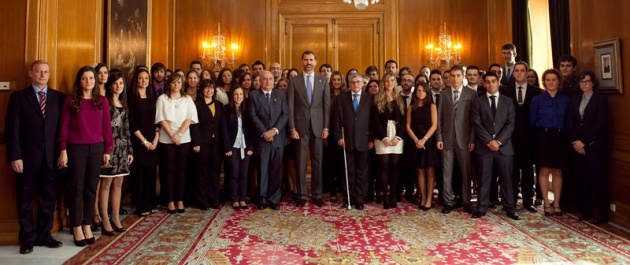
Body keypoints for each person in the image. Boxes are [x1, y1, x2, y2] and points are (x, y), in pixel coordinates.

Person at [6, 60, 65, 254]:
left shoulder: (59, 98)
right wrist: (15, 156)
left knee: (48, 199)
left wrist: (62, 154)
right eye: (38, 72)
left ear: (49, 74)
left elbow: (62, 130)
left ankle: (44, 235)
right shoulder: (18, 98)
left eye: (46, 72)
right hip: (26, 159)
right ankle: (28, 239)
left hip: (51, 159)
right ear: (31, 74)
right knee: (25, 200)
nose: (42, 75)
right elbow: (12, 130)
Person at [58, 66, 113, 246]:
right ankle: (76, 226)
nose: (88, 81)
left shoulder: (102, 101)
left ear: (95, 81)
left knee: (91, 188)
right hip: (76, 149)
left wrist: (107, 150)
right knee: (76, 188)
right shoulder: (70, 100)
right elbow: (64, 126)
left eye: (91, 78)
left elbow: (107, 128)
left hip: (96, 148)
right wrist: (63, 150)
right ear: (79, 81)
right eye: (84, 78)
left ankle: (87, 224)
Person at [471, 71, 519, 220]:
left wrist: (498, 142)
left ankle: (509, 207)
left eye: (493, 81)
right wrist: (489, 141)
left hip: (504, 147)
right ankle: (482, 207)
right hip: (484, 147)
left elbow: (511, 124)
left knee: (507, 180)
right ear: (484, 84)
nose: (491, 84)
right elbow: (476, 124)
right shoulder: (478, 101)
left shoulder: (508, 101)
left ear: (498, 83)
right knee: (484, 180)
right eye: (488, 82)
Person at [288, 50, 331, 207]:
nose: (308, 63)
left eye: (311, 60)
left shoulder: (323, 81)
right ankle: (301, 194)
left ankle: (317, 194)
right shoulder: (294, 81)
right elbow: (290, 107)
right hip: (299, 128)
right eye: (306, 60)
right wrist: (292, 128)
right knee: (300, 162)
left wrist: (326, 127)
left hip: (319, 128)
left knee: (317, 162)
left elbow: (327, 106)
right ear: (302, 62)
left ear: (316, 62)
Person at [568, 71, 609, 224]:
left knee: (598, 181)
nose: (584, 84)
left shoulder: (600, 99)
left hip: (595, 147)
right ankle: (586, 211)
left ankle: (602, 213)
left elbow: (600, 124)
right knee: (582, 180)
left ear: (593, 83)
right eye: (581, 82)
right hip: (577, 146)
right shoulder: (574, 99)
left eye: (586, 81)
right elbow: (570, 122)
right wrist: (575, 142)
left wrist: (584, 142)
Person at [499, 62, 541, 212]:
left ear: (526, 72)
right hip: (511, 137)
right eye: (516, 71)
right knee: (512, 172)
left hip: (529, 138)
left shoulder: (536, 92)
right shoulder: (505, 91)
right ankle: (511, 201)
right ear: (513, 73)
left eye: (522, 71)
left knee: (528, 172)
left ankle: (528, 202)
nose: (519, 73)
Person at [155, 73, 198, 214]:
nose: (176, 85)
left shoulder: (187, 100)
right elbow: (161, 119)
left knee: (181, 169)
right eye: (173, 82)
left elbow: (189, 118)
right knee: (168, 170)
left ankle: (180, 199)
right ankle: (170, 200)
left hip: (183, 139)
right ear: (169, 84)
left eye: (178, 82)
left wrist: (179, 134)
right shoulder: (162, 99)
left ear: (182, 84)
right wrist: (172, 135)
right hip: (166, 139)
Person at [530, 69, 570, 216]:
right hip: (543, 137)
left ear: (558, 81)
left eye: (554, 80)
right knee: (544, 170)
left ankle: (557, 203)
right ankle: (546, 203)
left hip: (560, 137)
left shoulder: (565, 100)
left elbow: (569, 121)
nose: (551, 82)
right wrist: (536, 140)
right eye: (548, 80)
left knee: (558, 171)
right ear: (544, 82)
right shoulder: (537, 100)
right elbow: (532, 122)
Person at [436, 65, 475, 214]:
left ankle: (466, 201)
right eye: (452, 76)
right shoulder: (443, 94)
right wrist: (438, 137)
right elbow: (439, 118)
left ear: (463, 76)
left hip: (464, 140)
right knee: (447, 172)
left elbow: (473, 120)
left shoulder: (471, 94)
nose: (455, 78)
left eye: (458, 75)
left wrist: (472, 139)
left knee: (466, 172)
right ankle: (448, 201)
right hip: (446, 138)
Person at [99, 69, 133, 236]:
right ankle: (104, 218)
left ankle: (115, 217)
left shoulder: (123, 103)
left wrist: (129, 150)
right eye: (115, 83)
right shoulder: (104, 102)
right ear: (110, 85)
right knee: (106, 183)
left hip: (122, 149)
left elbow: (127, 129)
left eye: (121, 83)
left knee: (119, 182)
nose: (118, 86)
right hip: (109, 148)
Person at [249, 71, 288, 210]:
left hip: (277, 139)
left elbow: (285, 115)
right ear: (259, 81)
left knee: (275, 171)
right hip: (262, 139)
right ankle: (262, 199)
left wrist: (274, 131)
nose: (267, 82)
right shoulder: (254, 95)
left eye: (270, 79)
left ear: (273, 81)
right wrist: (264, 132)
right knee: (262, 170)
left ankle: (274, 199)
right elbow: (252, 116)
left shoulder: (281, 95)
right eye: (264, 79)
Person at [334, 73, 373, 210]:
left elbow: (372, 120)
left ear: (363, 84)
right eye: (353, 82)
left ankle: (359, 198)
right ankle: (348, 197)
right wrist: (339, 136)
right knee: (348, 170)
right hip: (347, 139)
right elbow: (336, 120)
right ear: (349, 84)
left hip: (364, 139)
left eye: (358, 82)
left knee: (362, 171)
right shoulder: (341, 98)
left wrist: (371, 138)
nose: (355, 84)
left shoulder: (369, 98)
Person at [128, 67, 159, 217]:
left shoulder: (153, 97)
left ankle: (149, 202)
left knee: (151, 173)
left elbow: (158, 120)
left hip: (153, 140)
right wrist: (144, 141)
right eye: (140, 78)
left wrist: (155, 140)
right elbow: (131, 122)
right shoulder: (132, 98)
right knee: (139, 174)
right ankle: (140, 204)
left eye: (146, 78)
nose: (143, 81)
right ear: (136, 80)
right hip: (138, 140)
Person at [190, 79, 223, 210]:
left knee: (214, 172)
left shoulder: (219, 105)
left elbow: (221, 125)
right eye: (206, 88)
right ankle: (202, 201)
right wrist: (196, 142)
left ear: (214, 90)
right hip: (202, 143)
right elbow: (194, 125)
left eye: (211, 88)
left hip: (216, 143)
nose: (209, 90)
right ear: (202, 89)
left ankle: (214, 199)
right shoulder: (196, 104)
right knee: (202, 172)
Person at [406, 82, 438, 210]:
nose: (420, 93)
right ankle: (423, 197)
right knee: (419, 170)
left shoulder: (432, 106)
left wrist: (424, 139)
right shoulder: (411, 107)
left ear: (427, 92)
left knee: (429, 170)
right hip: (415, 142)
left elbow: (434, 125)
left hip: (428, 141)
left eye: (423, 90)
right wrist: (416, 140)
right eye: (418, 90)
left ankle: (430, 198)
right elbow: (407, 126)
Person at [221, 86, 254, 209]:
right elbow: (224, 130)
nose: (238, 96)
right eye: (235, 94)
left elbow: (251, 130)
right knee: (233, 173)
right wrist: (227, 148)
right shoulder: (226, 110)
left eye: (240, 94)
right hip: (232, 147)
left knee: (244, 173)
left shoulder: (247, 110)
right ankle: (234, 198)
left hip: (245, 146)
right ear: (232, 96)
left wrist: (251, 147)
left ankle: (242, 198)